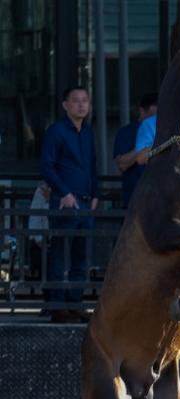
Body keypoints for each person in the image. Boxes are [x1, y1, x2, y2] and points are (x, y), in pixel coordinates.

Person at [40, 85, 98, 323]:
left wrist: (96, 194)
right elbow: (46, 166)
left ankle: (75, 303)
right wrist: (63, 192)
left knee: (81, 257)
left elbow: (93, 165)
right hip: (64, 201)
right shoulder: (56, 131)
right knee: (59, 255)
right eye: (76, 100)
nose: (81, 105)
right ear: (65, 105)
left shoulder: (88, 132)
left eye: (85, 100)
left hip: (86, 202)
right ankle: (57, 306)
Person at [112, 92, 158, 209]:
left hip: (159, 194)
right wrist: (146, 146)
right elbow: (122, 163)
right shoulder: (126, 132)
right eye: (153, 116)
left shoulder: (168, 131)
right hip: (135, 194)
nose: (156, 120)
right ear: (142, 111)